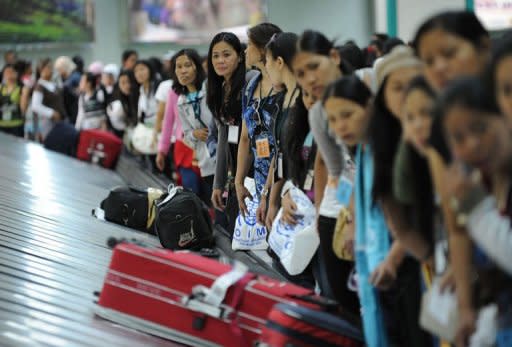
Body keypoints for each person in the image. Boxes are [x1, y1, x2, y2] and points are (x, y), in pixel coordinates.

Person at [438, 77, 512, 347]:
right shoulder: (482, 178)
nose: (471, 143)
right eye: (458, 138)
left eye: (480, 128)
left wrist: (475, 207)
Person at [234, 22, 282, 218]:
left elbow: (281, 147)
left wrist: (267, 196)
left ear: (263, 49)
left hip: (281, 180)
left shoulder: (282, 88)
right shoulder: (251, 85)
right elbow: (245, 137)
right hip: (260, 179)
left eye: (249, 45)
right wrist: (238, 181)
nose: (245, 51)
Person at [206, 32, 248, 233]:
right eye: (215, 56)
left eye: (226, 54)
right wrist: (218, 183)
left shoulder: (251, 81)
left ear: (239, 56)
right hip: (234, 173)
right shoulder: (222, 88)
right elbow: (223, 137)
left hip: (254, 170)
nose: (220, 60)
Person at [171, 48, 216, 206]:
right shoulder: (182, 101)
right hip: (206, 163)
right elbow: (187, 136)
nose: (183, 71)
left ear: (197, 66)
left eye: (187, 65)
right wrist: (195, 134)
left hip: (224, 159)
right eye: (179, 67)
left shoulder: (210, 89)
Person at [31, 58, 66, 141]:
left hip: (59, 121)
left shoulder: (53, 84)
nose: (51, 70)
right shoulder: (39, 86)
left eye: (51, 67)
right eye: (48, 67)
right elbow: (35, 106)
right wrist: (52, 113)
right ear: (41, 70)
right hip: (48, 121)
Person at [106, 69, 138, 138]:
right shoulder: (117, 101)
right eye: (123, 83)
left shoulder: (139, 97)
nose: (127, 86)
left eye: (129, 82)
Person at [0, 64, 29, 137]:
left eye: (11, 72)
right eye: (6, 72)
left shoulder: (22, 88)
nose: (8, 74)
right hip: (1, 125)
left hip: (16, 125)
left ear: (16, 73)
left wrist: (25, 95)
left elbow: (23, 109)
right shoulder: (1, 88)